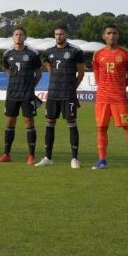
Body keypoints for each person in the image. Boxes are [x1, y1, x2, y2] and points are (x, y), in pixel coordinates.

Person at [91, 24, 128, 171]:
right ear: (104, 36)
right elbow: (97, 77)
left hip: (119, 98)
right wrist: (104, 88)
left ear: (118, 35)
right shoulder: (97, 54)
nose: (112, 35)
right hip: (102, 98)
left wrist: (119, 87)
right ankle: (102, 160)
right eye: (109, 33)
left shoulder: (127, 54)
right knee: (101, 128)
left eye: (114, 33)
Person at [35, 25, 85, 169]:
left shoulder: (75, 51)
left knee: (71, 123)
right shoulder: (49, 52)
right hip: (53, 94)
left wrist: (71, 88)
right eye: (56, 34)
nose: (58, 36)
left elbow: (81, 73)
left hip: (68, 94)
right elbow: (49, 66)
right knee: (50, 123)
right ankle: (48, 157)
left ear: (66, 35)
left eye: (61, 34)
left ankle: (74, 159)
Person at [0, 26, 42, 164]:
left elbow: (39, 73)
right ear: (13, 37)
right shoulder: (7, 54)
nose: (18, 37)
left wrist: (31, 86)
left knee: (29, 122)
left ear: (25, 37)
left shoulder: (33, 54)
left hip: (27, 94)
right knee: (10, 122)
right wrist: (13, 78)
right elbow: (6, 68)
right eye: (16, 34)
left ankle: (31, 155)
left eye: (21, 34)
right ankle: (6, 154)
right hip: (12, 94)